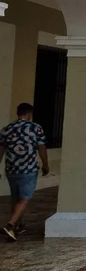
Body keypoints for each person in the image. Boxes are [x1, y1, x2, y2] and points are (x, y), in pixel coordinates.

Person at [0, 103, 48, 241]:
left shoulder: (6, 129)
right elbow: (42, 147)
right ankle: (10, 225)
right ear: (29, 114)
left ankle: (17, 226)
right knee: (25, 198)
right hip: (29, 168)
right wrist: (45, 164)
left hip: (11, 169)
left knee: (16, 199)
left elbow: (1, 150)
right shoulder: (35, 128)